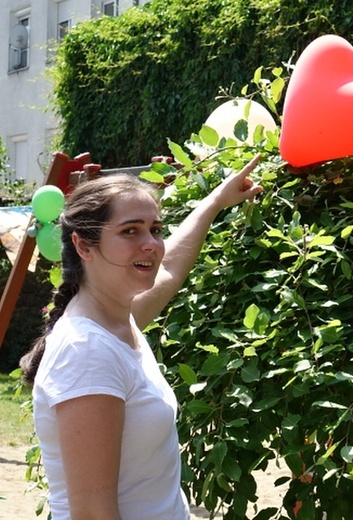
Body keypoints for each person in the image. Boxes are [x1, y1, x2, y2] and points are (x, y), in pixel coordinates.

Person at [20, 154, 263, 520]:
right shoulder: (87, 351)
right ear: (84, 246)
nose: (150, 243)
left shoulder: (118, 320)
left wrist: (214, 202)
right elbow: (93, 513)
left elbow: (170, 267)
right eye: (130, 230)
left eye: (155, 229)